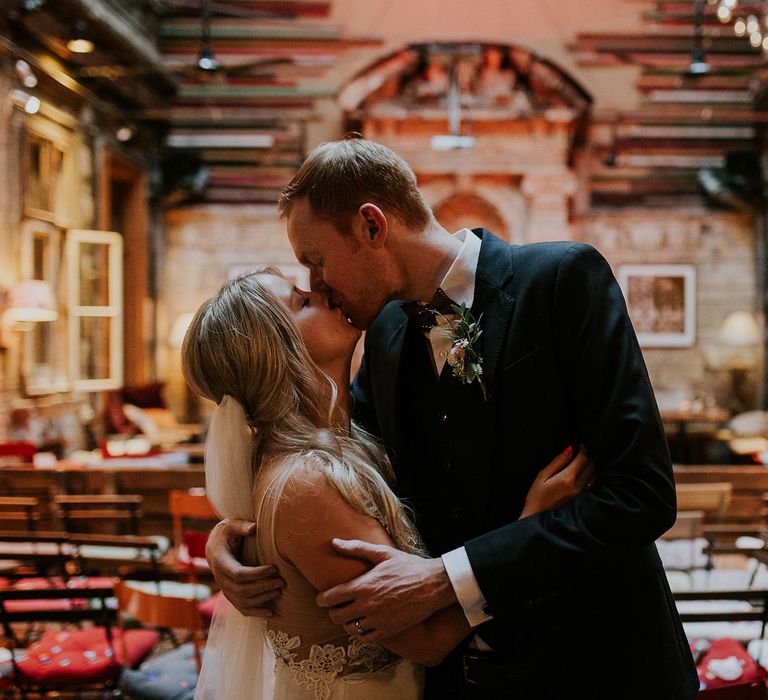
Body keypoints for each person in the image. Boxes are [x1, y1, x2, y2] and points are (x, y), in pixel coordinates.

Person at [206, 137, 699, 699]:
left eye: (316, 261)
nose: (317, 284)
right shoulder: (387, 332)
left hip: (601, 667)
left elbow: (642, 494)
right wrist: (235, 538)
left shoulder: (562, 280)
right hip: (463, 682)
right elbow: (349, 466)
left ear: (372, 226)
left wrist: (447, 578)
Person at [182, 269, 593, 699]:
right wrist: (530, 526)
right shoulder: (306, 483)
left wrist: (223, 535)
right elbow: (427, 640)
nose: (322, 289)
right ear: (280, 354)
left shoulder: (343, 438)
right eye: (302, 302)